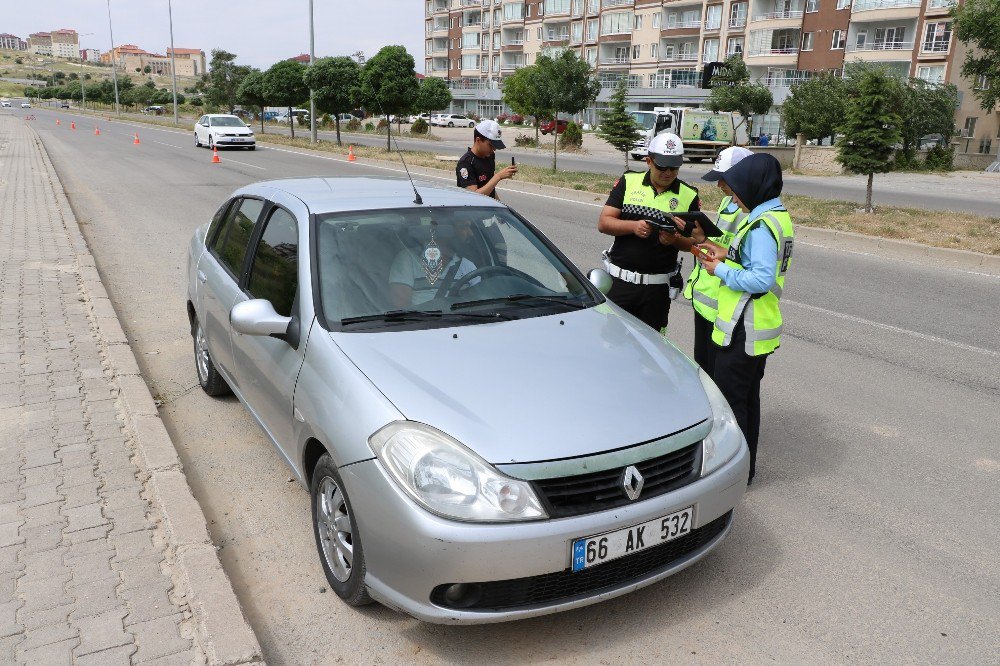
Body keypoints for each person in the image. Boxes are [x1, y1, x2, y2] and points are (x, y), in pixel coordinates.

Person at [692, 153, 794, 485]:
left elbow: (761, 279)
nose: (731, 195)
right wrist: (722, 252)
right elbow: (748, 260)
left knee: (731, 406)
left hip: (744, 330)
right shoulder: (772, 216)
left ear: (753, 186)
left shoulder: (763, 226)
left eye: (736, 188)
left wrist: (719, 269)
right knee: (747, 401)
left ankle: (731, 476)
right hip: (754, 330)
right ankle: (745, 471)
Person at [597, 132, 701, 334]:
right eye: (662, 166)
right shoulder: (628, 182)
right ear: (649, 161)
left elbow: (693, 243)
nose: (668, 173)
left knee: (652, 352)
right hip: (619, 284)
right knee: (611, 343)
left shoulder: (689, 195)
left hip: (656, 290)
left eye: (674, 167)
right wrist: (633, 227)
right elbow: (604, 222)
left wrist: (674, 240)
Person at [683, 146, 753, 376]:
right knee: (703, 366)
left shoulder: (751, 212)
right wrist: (702, 238)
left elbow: (743, 257)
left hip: (725, 306)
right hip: (706, 301)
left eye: (724, 179)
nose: (719, 185)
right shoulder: (728, 203)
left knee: (720, 376)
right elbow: (721, 242)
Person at [389, 220, 477, 308]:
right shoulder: (408, 258)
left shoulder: (469, 267)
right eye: (463, 227)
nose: (471, 233)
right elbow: (401, 307)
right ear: (443, 231)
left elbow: (478, 305)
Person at [456, 119, 518, 200]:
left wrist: (500, 205)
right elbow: (473, 196)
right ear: (478, 140)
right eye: (491, 145)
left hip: (488, 208)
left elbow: (489, 188)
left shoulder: (490, 156)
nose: (494, 149)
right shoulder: (466, 163)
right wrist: (498, 177)